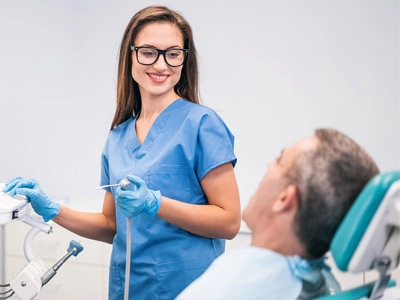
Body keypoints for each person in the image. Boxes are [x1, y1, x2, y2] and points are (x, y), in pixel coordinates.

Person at [2, 5, 241, 300]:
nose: (161, 64)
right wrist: (51, 208)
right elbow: (111, 226)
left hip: (188, 288)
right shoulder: (118, 138)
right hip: (129, 287)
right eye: (149, 51)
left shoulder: (202, 124)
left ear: (184, 59)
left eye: (173, 53)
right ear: (130, 55)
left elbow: (229, 222)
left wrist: (156, 203)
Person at [176, 128, 379, 300]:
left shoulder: (234, 284)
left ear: (284, 199)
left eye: (279, 160)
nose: (269, 164)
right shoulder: (313, 281)